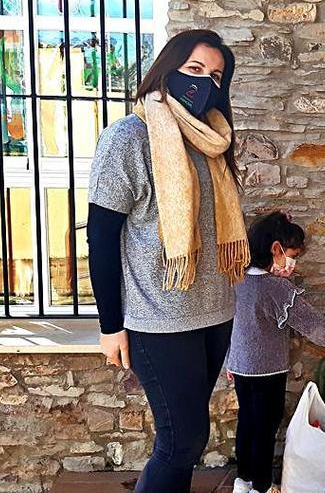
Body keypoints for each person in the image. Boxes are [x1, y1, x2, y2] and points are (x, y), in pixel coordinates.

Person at [87, 30, 248, 493]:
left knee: (188, 438)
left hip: (214, 314)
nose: (204, 84)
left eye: (215, 76)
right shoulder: (130, 138)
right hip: (159, 320)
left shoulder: (211, 140)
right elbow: (101, 237)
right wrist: (110, 325)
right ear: (167, 70)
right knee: (181, 441)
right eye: (194, 70)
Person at [225, 211, 325, 493]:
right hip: (268, 370)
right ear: (275, 249)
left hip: (240, 366)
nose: (293, 263)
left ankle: (243, 479)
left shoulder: (235, 281)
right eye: (293, 255)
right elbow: (309, 322)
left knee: (248, 422)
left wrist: (229, 359)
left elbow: (227, 325)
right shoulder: (276, 288)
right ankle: (263, 485)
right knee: (266, 427)